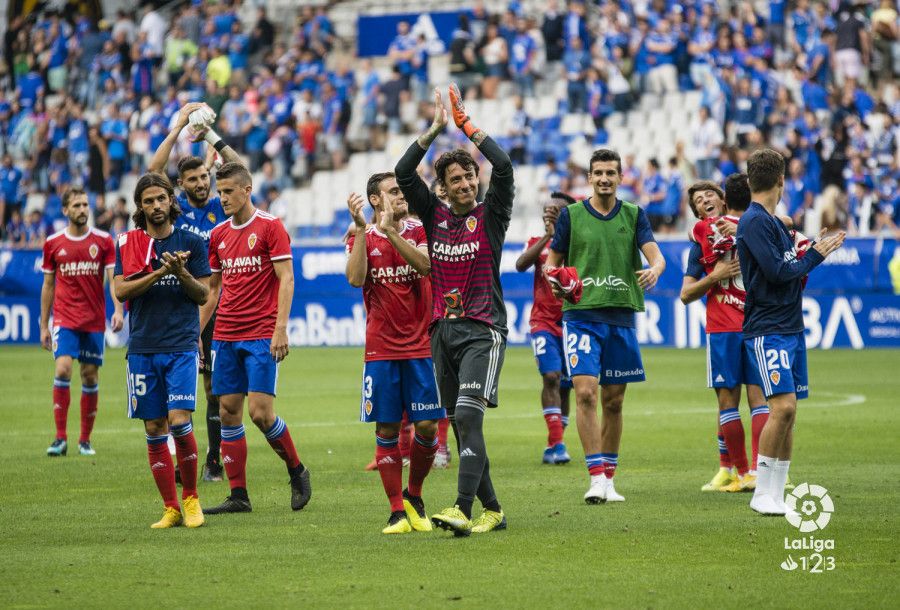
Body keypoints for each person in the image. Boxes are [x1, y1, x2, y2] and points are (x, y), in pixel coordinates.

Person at [394, 85, 514, 536]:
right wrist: (434, 131)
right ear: (442, 189)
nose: (465, 184)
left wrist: (465, 125)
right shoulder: (434, 218)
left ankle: (462, 508)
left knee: (467, 417)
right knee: (462, 426)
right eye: (455, 180)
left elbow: (503, 165)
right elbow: (404, 171)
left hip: (484, 329)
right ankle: (494, 509)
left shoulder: (492, 215)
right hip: (442, 331)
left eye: (469, 177)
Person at [546, 148, 666, 504]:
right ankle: (595, 477)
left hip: (621, 315)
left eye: (610, 173)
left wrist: (656, 269)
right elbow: (552, 265)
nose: (603, 179)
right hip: (581, 316)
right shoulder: (570, 216)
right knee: (585, 393)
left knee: (614, 402)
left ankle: (610, 479)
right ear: (589, 177)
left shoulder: (633, 214)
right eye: (597, 172)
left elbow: (655, 254)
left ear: (620, 177)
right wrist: (556, 280)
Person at [735, 149, 845, 516]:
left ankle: (776, 491)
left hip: (789, 326)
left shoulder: (770, 222)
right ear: (781, 180)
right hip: (769, 328)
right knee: (781, 407)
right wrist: (815, 255)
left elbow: (788, 266)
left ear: (751, 179)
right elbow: (780, 272)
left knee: (789, 412)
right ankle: (761, 491)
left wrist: (807, 253)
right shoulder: (753, 222)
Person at [199, 162, 311, 515]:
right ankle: (238, 495)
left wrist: (281, 327)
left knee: (260, 414)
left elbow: (287, 278)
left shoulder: (270, 227)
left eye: (228, 191)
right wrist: (195, 332)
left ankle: (297, 470)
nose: (222, 198)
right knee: (228, 412)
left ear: (247, 190)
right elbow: (213, 288)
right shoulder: (217, 234)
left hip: (261, 333)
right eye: (219, 192)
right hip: (225, 335)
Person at [344, 173, 446, 534]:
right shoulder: (360, 236)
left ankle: (414, 494)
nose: (402, 196)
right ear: (376, 200)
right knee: (386, 427)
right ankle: (396, 512)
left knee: (428, 426)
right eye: (394, 191)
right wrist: (361, 231)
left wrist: (390, 232)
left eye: (402, 191)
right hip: (381, 348)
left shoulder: (421, 229)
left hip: (421, 345)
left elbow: (427, 266)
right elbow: (356, 279)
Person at [149, 101, 243, 483]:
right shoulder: (176, 211)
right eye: (194, 180)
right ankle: (184, 455)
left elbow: (238, 168)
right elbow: (154, 172)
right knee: (184, 388)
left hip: (222, 307)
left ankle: (214, 459)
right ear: (182, 186)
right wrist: (176, 128)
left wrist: (211, 139)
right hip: (184, 309)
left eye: (205, 176)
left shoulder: (224, 204)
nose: (202, 184)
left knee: (214, 389)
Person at [113, 173, 209, 528]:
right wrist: (158, 272)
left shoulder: (193, 241)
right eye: (148, 201)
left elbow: (202, 295)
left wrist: (181, 272)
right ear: (140, 206)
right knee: (154, 427)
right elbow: (122, 292)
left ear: (172, 200)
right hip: (142, 348)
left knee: (180, 423)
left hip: (181, 345)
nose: (156, 206)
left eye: (161, 199)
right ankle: (170, 507)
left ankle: (192, 499)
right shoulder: (130, 243)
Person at [681, 177, 771, 493]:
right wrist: (715, 276)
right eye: (697, 201)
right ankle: (735, 470)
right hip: (727, 327)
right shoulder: (705, 238)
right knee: (734, 402)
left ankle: (749, 472)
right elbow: (685, 293)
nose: (704, 200)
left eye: (709, 195)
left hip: (749, 324)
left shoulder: (733, 228)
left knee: (747, 401)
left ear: (722, 199)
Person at [40, 188, 124, 457]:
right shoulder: (53, 243)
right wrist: (44, 325)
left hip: (94, 320)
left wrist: (119, 310)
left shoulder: (103, 241)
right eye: (76, 205)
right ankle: (60, 438)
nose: (82, 209)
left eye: (85, 204)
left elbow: (113, 280)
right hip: (64, 317)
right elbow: (48, 285)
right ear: (65, 210)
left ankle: (85, 440)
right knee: (63, 369)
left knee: (89, 375)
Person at [515, 192, 575, 465]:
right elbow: (520, 265)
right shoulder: (537, 244)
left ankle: (554, 444)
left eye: (556, 209)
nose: (549, 212)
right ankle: (558, 443)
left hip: (572, 321)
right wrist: (545, 238)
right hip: (543, 322)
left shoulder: (577, 244)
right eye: (547, 208)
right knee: (550, 376)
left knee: (566, 386)